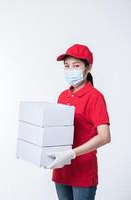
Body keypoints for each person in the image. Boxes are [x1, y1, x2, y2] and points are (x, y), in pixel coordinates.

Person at [46, 44, 111, 200]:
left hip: (83, 171)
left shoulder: (95, 97)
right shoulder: (63, 96)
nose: (70, 70)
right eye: (67, 66)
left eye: (76, 66)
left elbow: (104, 136)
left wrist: (72, 153)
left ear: (88, 68)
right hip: (62, 169)